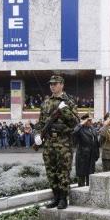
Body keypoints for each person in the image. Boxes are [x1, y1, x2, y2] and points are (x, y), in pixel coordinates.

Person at [34, 75, 79, 209]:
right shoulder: (46, 103)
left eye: (55, 83)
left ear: (62, 85)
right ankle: (56, 197)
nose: (52, 86)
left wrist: (64, 109)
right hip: (49, 143)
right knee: (51, 172)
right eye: (51, 84)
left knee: (63, 172)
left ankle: (63, 199)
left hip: (63, 142)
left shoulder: (69, 102)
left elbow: (76, 123)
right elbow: (40, 123)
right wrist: (36, 135)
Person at [72, 114, 99, 186]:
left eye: (91, 120)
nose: (91, 122)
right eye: (88, 120)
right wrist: (80, 124)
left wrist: (97, 154)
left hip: (91, 156)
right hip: (82, 156)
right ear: (84, 121)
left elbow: (96, 142)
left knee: (90, 176)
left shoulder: (92, 128)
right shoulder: (80, 129)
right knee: (82, 176)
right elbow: (74, 133)